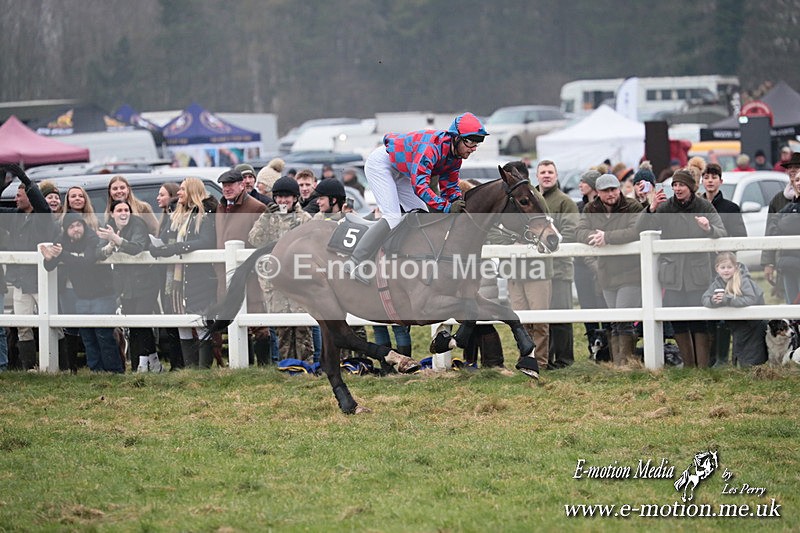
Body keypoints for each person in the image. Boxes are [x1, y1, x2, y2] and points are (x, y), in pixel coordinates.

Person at [344, 112, 485, 284]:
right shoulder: (431, 148)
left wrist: (457, 202)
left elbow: (450, 187)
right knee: (393, 216)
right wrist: (447, 207)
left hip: (401, 170)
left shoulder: (454, 157)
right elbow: (420, 187)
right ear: (456, 138)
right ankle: (355, 262)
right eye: (470, 141)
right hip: (381, 165)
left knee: (422, 215)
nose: (473, 147)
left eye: (478, 142)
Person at [636, 169, 727, 368]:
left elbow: (722, 231)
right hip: (673, 274)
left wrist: (708, 229)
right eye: (675, 185)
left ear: (691, 187)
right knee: (677, 320)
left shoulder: (704, 206)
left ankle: (702, 368)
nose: (677, 188)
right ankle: (688, 365)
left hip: (697, 273)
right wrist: (651, 209)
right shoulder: (665, 207)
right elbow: (639, 230)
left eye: (681, 185)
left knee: (699, 320)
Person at [41, 213, 123, 373]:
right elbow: (50, 266)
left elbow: (87, 262)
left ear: (84, 226)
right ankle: (96, 371)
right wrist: (49, 259)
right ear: (66, 230)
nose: (76, 229)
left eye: (79, 225)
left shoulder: (92, 239)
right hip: (82, 296)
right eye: (72, 227)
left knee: (104, 335)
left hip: (103, 294)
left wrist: (62, 255)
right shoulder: (61, 241)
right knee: (87, 336)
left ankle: (114, 371)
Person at [576, 174, 644, 365]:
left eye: (614, 189)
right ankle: (617, 363)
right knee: (614, 321)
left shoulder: (632, 207)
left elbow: (635, 231)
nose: (611, 193)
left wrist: (607, 237)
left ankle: (627, 363)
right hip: (606, 272)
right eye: (606, 190)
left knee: (624, 319)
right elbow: (579, 231)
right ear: (598, 192)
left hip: (631, 272)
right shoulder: (590, 209)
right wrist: (594, 236)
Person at [151, 178, 219, 368]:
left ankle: (203, 368)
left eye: (182, 189)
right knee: (181, 319)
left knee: (201, 320)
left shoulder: (204, 214)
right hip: (177, 280)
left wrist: (179, 247)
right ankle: (190, 367)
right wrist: (154, 247)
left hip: (200, 276)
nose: (178, 193)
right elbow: (163, 239)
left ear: (192, 191)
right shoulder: (177, 215)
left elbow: (206, 241)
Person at [492, 161, 551, 370]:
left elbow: (546, 227)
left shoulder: (535, 200)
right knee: (521, 320)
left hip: (537, 270)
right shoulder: (503, 205)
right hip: (513, 271)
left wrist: (525, 241)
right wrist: (510, 242)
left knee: (540, 321)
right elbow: (492, 233)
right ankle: (526, 358)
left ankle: (541, 362)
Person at [249, 176, 314, 362]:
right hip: (275, 282)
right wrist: (266, 218)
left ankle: (305, 365)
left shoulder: (304, 219)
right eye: (279, 197)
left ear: (295, 198)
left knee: (303, 328)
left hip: (299, 282)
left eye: (287, 197)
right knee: (282, 329)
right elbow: (254, 239)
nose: (282, 201)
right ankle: (286, 366)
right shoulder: (268, 217)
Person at [0, 164, 57, 370]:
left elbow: (42, 205)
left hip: (41, 280)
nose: (16, 198)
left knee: (52, 325)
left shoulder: (42, 217)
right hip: (20, 281)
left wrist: (24, 178)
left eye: (20, 194)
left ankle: (55, 364)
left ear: (31, 197)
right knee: (23, 325)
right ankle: (29, 368)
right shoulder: (14, 216)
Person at [97, 200, 164, 373]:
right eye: (119, 210)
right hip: (124, 286)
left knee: (140, 323)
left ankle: (140, 365)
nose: (123, 213)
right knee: (134, 326)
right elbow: (98, 251)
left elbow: (137, 247)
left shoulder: (138, 224)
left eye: (126, 209)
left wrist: (116, 239)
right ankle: (152, 363)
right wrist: (110, 245)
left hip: (145, 282)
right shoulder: (108, 225)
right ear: (112, 213)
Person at [214, 169, 269, 365]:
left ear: (241, 185)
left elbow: (262, 242)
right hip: (224, 273)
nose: (226, 189)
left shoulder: (256, 208)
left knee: (257, 321)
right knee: (233, 318)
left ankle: (264, 366)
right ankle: (246, 364)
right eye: (224, 185)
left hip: (249, 274)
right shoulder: (221, 207)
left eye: (231, 185)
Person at [699, 162, 747, 366]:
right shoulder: (697, 206)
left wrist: (727, 257)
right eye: (706, 177)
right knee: (705, 309)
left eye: (714, 177)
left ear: (720, 181)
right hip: (700, 265)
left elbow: (740, 236)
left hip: (724, 268)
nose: (710, 181)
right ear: (702, 180)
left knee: (723, 308)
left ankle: (721, 357)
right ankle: (707, 357)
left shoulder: (730, 208)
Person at [536, 159, 578, 369]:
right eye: (542, 171)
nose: (546, 175)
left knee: (561, 317)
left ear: (556, 175)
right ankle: (544, 358)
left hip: (559, 268)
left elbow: (570, 233)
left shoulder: (564, 202)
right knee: (541, 319)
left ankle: (564, 360)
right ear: (537, 176)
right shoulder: (532, 199)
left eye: (550, 172)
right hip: (537, 270)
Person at [701, 252, 767, 367]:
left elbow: (751, 299)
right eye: (723, 267)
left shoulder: (743, 280)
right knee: (739, 348)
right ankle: (739, 368)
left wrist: (728, 299)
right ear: (717, 269)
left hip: (754, 322)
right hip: (737, 323)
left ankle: (754, 371)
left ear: (735, 267)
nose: (726, 270)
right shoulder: (717, 283)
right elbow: (704, 299)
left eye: (729, 267)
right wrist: (713, 300)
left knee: (753, 351)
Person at [573, 169, 609, 358]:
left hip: (603, 264)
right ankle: (592, 347)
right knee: (587, 306)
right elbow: (576, 233)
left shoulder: (604, 207)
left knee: (603, 304)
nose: (580, 184)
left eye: (584, 181)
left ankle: (607, 347)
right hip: (581, 265)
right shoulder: (578, 207)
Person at [153, 182, 183, 370]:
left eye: (162, 194)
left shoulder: (174, 220)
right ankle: (175, 362)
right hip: (165, 276)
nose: (158, 198)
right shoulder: (164, 219)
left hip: (175, 276)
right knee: (170, 320)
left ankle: (180, 363)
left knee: (177, 319)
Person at [763, 151, 800, 299]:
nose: (792, 171)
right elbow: (770, 229)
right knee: (790, 301)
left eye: (796, 168)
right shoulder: (778, 199)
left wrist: (784, 223)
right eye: (790, 169)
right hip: (787, 260)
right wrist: (768, 262)